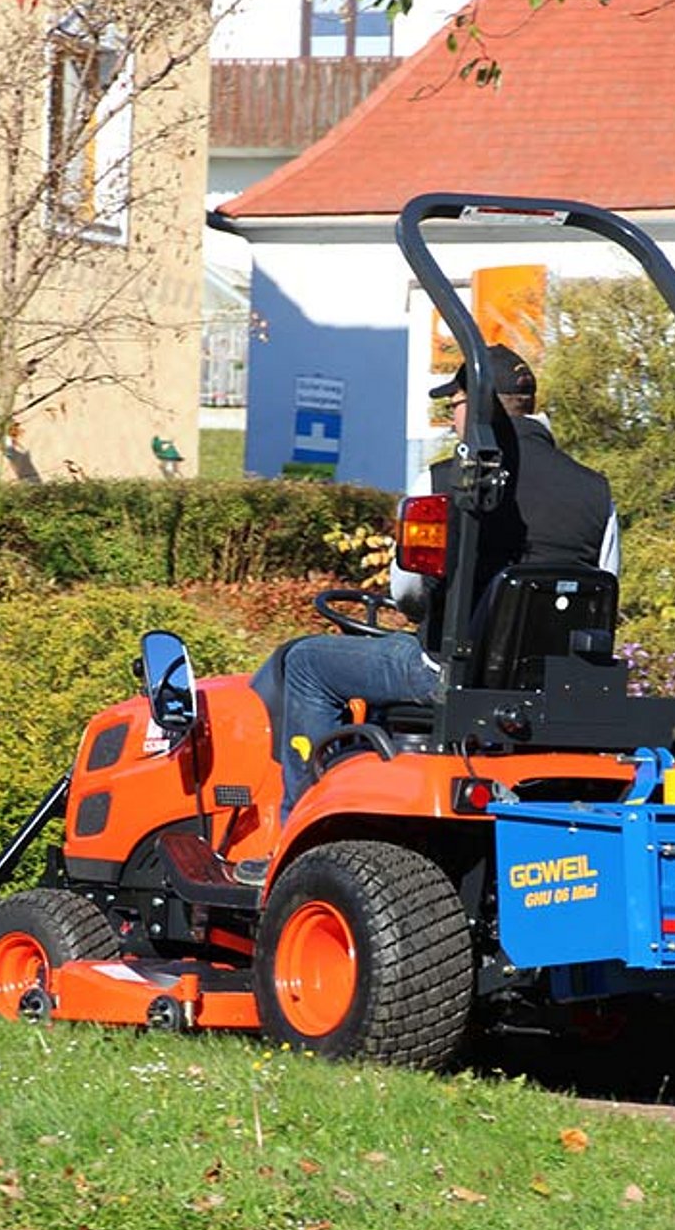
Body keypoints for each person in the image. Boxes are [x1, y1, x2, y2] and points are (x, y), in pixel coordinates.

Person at [256, 344, 618, 851]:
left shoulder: (441, 480)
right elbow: (601, 592)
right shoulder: (596, 491)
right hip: (554, 688)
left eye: (454, 407)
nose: (452, 421)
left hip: (447, 673)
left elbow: (406, 592)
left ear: (478, 406)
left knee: (306, 662)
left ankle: (299, 829)